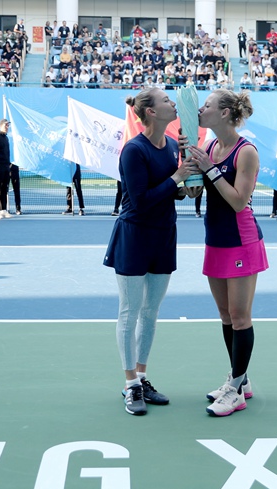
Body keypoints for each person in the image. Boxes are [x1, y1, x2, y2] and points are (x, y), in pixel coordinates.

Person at [103, 88, 199, 416]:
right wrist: (177, 177)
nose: (173, 103)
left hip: (164, 235)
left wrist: (186, 186)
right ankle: (130, 383)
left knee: (150, 313)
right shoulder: (133, 150)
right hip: (134, 235)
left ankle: (142, 377)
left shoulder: (172, 146)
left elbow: (172, 192)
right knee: (129, 312)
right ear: (152, 112)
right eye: (166, 101)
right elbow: (141, 200)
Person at [186, 89, 268, 417]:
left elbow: (237, 201)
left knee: (240, 316)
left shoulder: (245, 152)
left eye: (206, 105)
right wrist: (188, 165)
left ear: (223, 113)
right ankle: (240, 379)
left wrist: (211, 169)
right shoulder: (208, 147)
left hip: (240, 240)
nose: (200, 109)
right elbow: (194, 191)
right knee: (225, 315)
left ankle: (235, 391)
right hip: (215, 239)